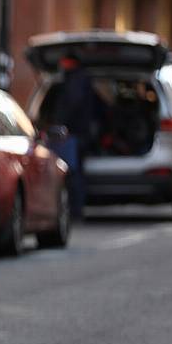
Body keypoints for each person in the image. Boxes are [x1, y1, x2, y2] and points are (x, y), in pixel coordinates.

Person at [52, 53, 97, 220]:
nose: (61, 65)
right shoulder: (80, 80)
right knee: (74, 171)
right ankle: (74, 209)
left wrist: (60, 123)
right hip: (78, 133)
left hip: (73, 134)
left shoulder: (75, 81)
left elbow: (71, 104)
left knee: (72, 173)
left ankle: (75, 210)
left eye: (64, 61)